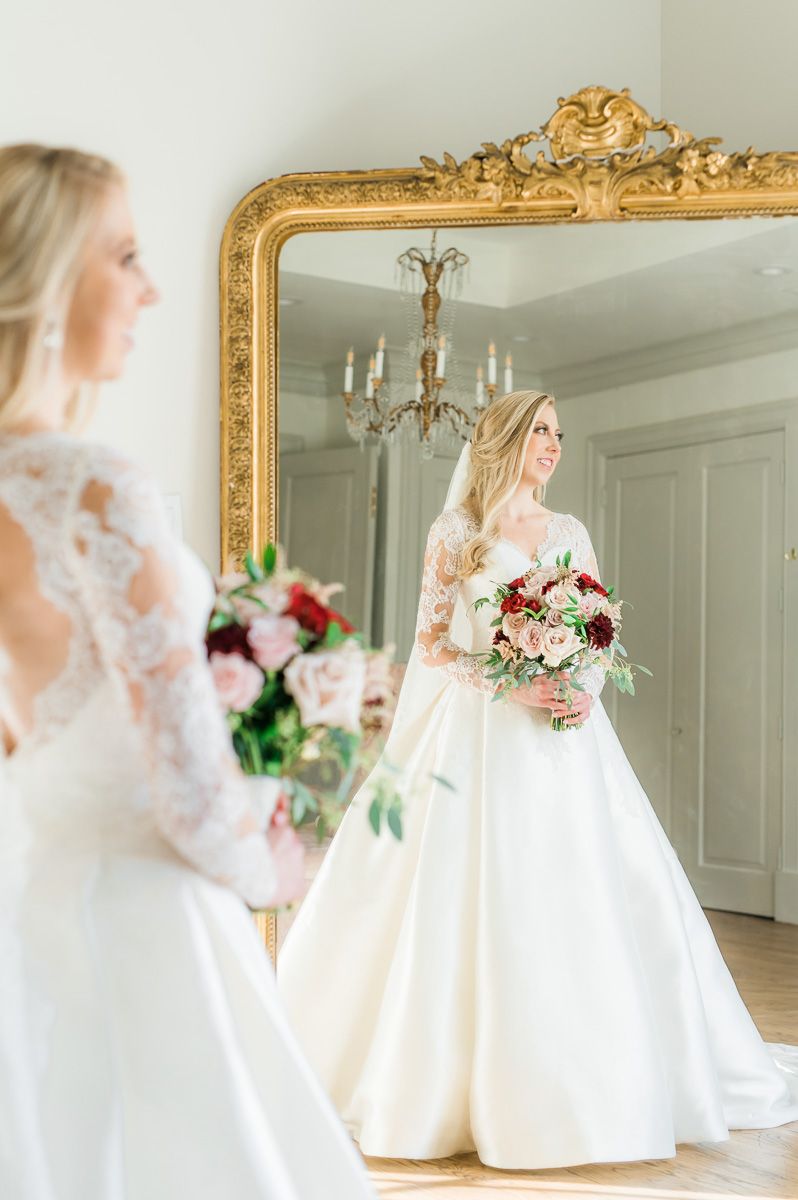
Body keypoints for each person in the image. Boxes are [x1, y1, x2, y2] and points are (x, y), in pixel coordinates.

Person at [278, 388, 798, 1170]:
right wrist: (512, 681)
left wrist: (577, 683)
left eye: (559, 432)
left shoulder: (569, 531)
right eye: (540, 431)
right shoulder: (457, 533)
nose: (553, 446)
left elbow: (598, 629)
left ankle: (598, 1081)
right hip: (480, 732)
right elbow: (432, 645)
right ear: (505, 439)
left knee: (586, 889)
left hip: (564, 736)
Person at [0, 144, 375, 1200]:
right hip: (146, 920)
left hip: (33, 905)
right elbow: (194, 800)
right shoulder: (91, 487)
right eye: (124, 254)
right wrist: (287, 835)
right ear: (42, 272)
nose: (150, 288)